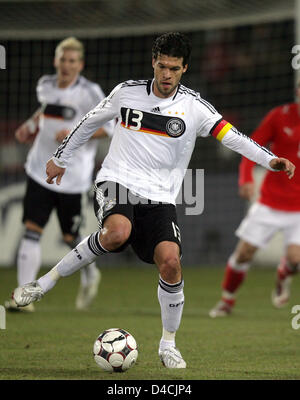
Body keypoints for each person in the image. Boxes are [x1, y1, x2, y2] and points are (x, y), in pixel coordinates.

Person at [12, 32, 295, 369]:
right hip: (116, 180)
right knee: (117, 233)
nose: (166, 75)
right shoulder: (126, 93)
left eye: (174, 69)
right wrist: (62, 157)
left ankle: (168, 344)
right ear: (153, 63)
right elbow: (88, 122)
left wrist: (270, 160)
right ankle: (44, 283)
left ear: (184, 68)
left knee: (171, 262)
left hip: (161, 196)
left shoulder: (195, 107)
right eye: (161, 66)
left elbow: (233, 137)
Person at [5, 37, 114, 313]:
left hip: (72, 178)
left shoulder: (90, 93)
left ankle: (90, 274)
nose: (66, 65)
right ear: (56, 61)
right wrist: (29, 125)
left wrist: (76, 133)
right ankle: (23, 297)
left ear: (80, 64)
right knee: (32, 229)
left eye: (72, 61)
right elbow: (46, 110)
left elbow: (110, 127)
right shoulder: (45, 84)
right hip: (39, 169)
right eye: (63, 60)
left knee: (70, 236)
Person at [209, 89, 300, 318]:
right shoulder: (279, 116)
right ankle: (226, 301)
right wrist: (246, 178)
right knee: (244, 253)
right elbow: (251, 146)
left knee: (295, 258)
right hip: (270, 201)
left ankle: (283, 274)